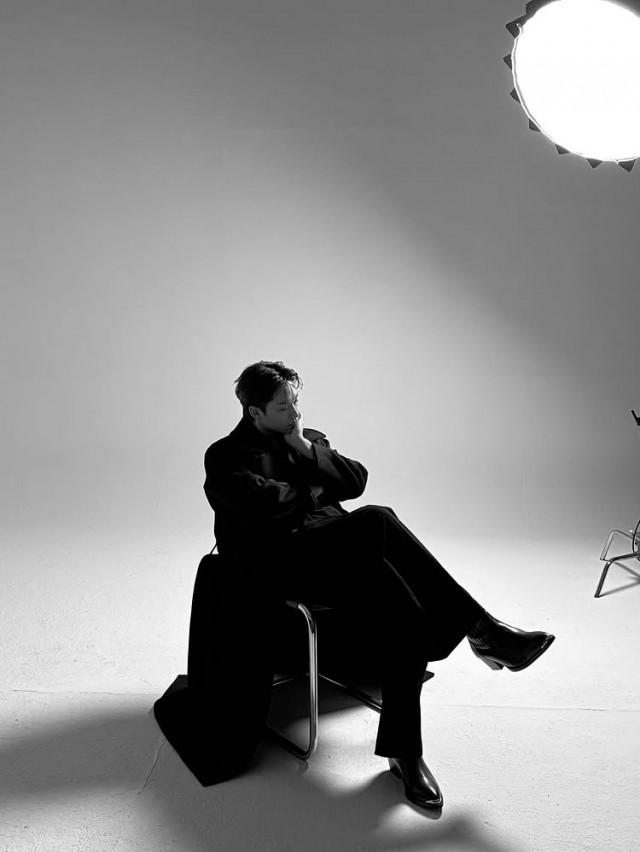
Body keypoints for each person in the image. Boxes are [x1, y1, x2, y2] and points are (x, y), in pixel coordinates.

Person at [203, 360, 555, 811]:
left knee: (406, 616)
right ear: (255, 412)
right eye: (283, 407)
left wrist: (305, 451)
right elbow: (264, 508)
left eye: (296, 402)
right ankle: (483, 631)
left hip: (340, 554)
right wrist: (312, 492)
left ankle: (404, 754)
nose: (295, 413)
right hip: (278, 568)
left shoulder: (309, 439)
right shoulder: (225, 455)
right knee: (377, 518)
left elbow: (355, 481)